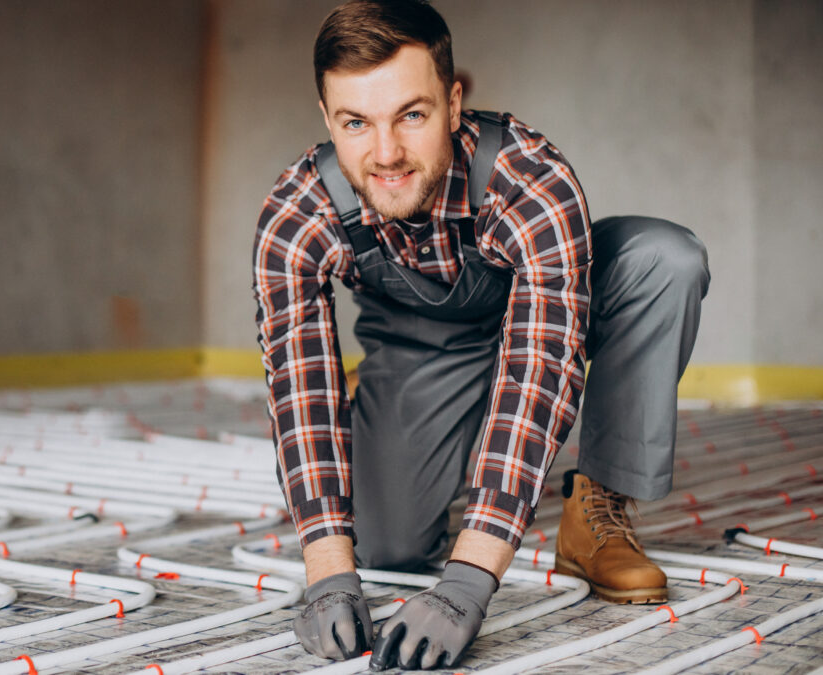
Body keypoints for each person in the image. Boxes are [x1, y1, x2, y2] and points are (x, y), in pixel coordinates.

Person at [252, 0, 710, 670]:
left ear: (453, 101)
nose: (386, 154)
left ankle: (599, 506)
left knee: (663, 259)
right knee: (388, 549)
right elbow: (298, 389)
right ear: (327, 119)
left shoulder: (529, 177)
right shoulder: (297, 214)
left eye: (412, 114)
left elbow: (541, 369)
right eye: (356, 122)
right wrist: (327, 570)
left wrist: (469, 580)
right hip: (424, 348)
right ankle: (387, 410)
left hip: (546, 315)